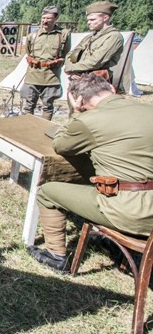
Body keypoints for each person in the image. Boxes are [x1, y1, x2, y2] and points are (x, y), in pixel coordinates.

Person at [28, 74, 153, 271]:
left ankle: (55, 255)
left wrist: (77, 113)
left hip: (127, 210)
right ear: (111, 89)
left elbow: (61, 144)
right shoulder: (149, 110)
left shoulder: (89, 119)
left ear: (80, 100)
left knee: (47, 192)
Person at [20, 6, 71, 120]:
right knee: (28, 106)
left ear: (56, 18)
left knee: (48, 106)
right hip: (33, 75)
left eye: (48, 18)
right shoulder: (32, 36)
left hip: (51, 77)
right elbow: (29, 53)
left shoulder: (63, 35)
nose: (45, 21)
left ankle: (42, 131)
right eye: (43, 18)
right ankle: (26, 127)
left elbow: (65, 53)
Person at [64, 1, 123, 82]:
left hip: (97, 81)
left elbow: (95, 62)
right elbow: (70, 54)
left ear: (105, 18)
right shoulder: (89, 37)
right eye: (88, 20)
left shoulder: (114, 37)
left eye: (92, 20)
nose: (88, 23)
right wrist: (71, 70)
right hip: (80, 79)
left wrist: (70, 68)